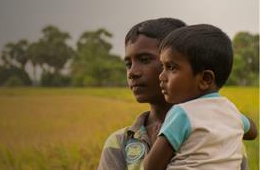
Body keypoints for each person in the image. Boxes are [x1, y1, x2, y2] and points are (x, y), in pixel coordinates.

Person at [98, 18, 249, 170]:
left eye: (145, 60)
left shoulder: (222, 137)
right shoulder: (120, 143)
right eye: (128, 64)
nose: (132, 72)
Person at [143, 24, 257, 170]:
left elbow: (151, 166)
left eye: (171, 67)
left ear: (205, 79)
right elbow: (253, 131)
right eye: (162, 67)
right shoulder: (231, 111)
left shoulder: (181, 113)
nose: (162, 76)